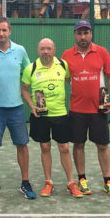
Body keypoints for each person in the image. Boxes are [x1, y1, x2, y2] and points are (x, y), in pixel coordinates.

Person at [0, 17, 36, 200]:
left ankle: (25, 183)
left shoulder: (20, 50)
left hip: (16, 108)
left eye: (4, 30)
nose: (1, 34)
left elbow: (30, 73)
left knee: (22, 145)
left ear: (10, 31)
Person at [61, 20, 110, 198]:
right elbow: (66, 79)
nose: (83, 37)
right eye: (79, 33)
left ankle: (108, 181)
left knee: (102, 144)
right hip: (77, 109)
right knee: (78, 144)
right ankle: (82, 179)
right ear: (75, 35)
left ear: (91, 34)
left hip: (98, 110)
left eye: (86, 33)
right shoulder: (66, 55)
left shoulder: (102, 52)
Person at [21, 38, 83, 198]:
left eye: (49, 49)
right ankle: (49, 182)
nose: (46, 52)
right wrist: (31, 105)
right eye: (42, 49)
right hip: (40, 115)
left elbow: (70, 81)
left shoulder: (63, 65)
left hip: (60, 114)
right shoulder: (31, 68)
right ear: (37, 50)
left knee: (64, 148)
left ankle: (71, 182)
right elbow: (24, 89)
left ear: (54, 50)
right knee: (45, 147)